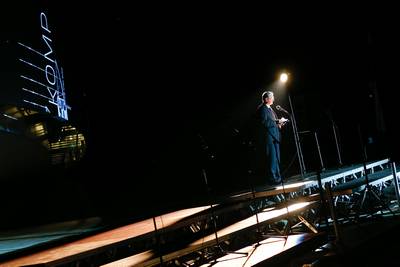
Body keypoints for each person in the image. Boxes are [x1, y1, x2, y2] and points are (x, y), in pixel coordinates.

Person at [257, 91, 288, 186]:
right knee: (272, 159)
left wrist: (279, 123)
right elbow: (264, 123)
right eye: (272, 97)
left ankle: (278, 178)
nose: (273, 99)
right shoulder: (262, 109)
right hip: (269, 138)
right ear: (266, 99)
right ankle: (273, 179)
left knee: (277, 158)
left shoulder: (270, 109)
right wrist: (277, 121)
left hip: (275, 137)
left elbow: (272, 122)